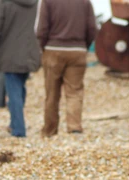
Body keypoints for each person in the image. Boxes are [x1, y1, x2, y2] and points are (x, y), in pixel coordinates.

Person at [35, 0, 97, 137]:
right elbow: (92, 28)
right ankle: (74, 127)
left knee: (52, 93)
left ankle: (50, 130)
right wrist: (84, 46)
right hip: (77, 50)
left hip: (53, 49)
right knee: (74, 91)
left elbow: (41, 29)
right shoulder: (85, 2)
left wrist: (43, 47)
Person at [0, 0, 41, 138]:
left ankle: (18, 129)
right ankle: (14, 123)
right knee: (20, 87)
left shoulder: (4, 2)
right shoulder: (34, 2)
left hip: (9, 53)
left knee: (14, 92)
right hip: (29, 52)